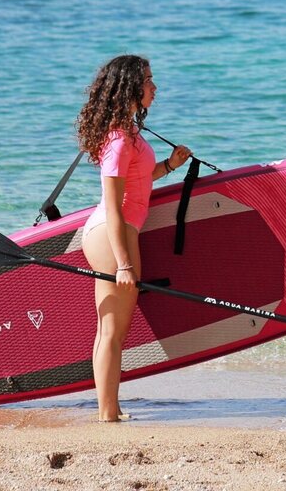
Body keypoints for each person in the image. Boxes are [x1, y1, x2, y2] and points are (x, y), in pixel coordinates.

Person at [75, 54, 190, 422]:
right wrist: (124, 262)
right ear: (130, 87)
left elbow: (138, 184)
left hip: (117, 232)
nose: (155, 88)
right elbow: (113, 204)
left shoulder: (129, 134)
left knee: (110, 330)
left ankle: (111, 409)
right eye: (149, 81)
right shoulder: (120, 139)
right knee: (112, 331)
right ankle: (107, 414)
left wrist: (170, 165)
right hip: (114, 234)